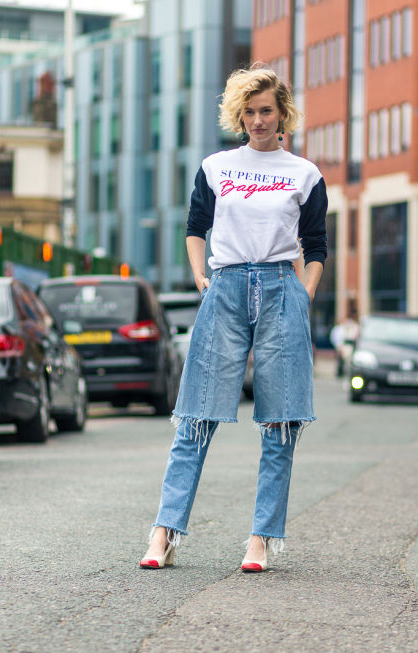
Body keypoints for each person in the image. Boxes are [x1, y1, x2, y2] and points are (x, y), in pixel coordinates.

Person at [139, 64, 327, 573]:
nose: (258, 120)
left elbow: (315, 248)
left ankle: (261, 540)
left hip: (280, 290)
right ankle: (164, 532)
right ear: (238, 114)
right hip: (224, 289)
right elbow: (196, 225)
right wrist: (202, 275)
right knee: (195, 415)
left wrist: (303, 295)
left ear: (282, 112)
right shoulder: (217, 167)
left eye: (266, 111)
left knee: (280, 420)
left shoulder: (304, 174)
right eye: (249, 111)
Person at [329, 307, 359, 377]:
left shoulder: (356, 325)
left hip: (353, 346)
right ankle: (340, 372)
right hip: (345, 346)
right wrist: (339, 346)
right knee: (342, 361)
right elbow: (340, 336)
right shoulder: (346, 325)